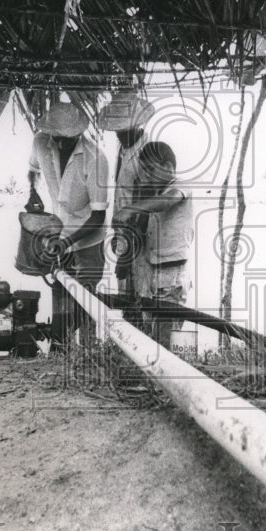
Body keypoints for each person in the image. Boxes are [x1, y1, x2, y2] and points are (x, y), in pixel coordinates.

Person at [26, 101, 108, 352]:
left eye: (67, 139)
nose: (60, 143)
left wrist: (68, 242)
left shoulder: (95, 159)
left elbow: (98, 216)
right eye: (56, 137)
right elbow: (33, 169)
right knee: (61, 297)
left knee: (85, 301)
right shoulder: (40, 141)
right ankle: (59, 350)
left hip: (88, 240)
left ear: (79, 133)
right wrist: (33, 192)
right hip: (59, 232)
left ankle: (88, 352)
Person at [113, 141, 193, 348]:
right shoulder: (155, 195)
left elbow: (167, 201)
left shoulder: (179, 187)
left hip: (172, 276)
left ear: (168, 167)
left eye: (150, 170)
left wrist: (131, 208)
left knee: (166, 336)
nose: (146, 177)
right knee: (155, 333)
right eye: (143, 172)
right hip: (156, 275)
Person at [96, 92, 155, 297]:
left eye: (124, 129)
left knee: (141, 294)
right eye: (117, 130)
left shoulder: (147, 152)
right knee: (125, 295)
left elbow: (146, 207)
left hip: (141, 236)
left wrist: (128, 253)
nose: (119, 134)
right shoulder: (122, 148)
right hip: (124, 233)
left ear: (137, 126)